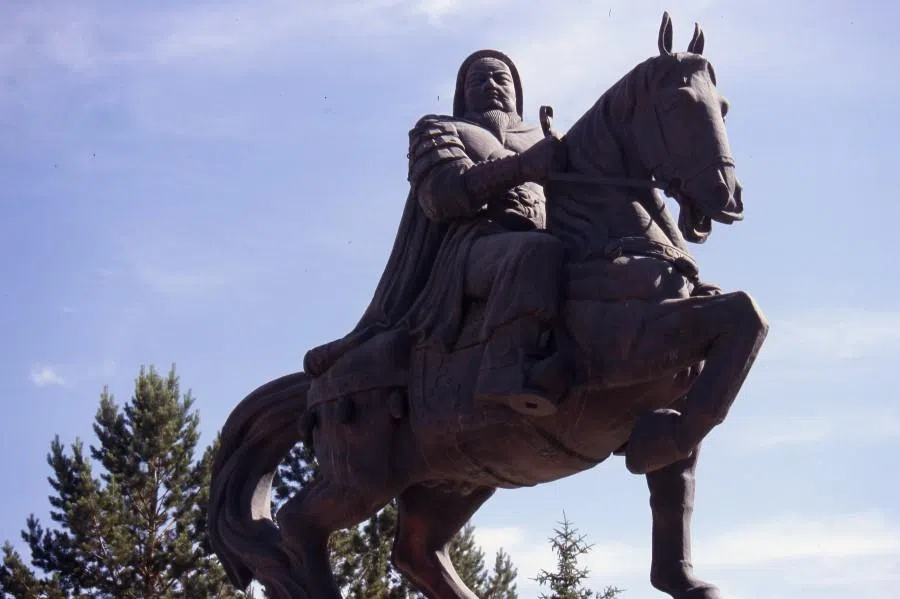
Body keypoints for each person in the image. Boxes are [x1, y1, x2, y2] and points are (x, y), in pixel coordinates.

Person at [304, 49, 567, 415]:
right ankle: (506, 370)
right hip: (470, 250)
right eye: (478, 80)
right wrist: (521, 167)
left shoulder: (549, 140)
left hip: (554, 237)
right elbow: (442, 196)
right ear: (462, 94)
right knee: (532, 253)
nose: (490, 85)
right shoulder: (440, 129)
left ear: (517, 93)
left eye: (500, 79)